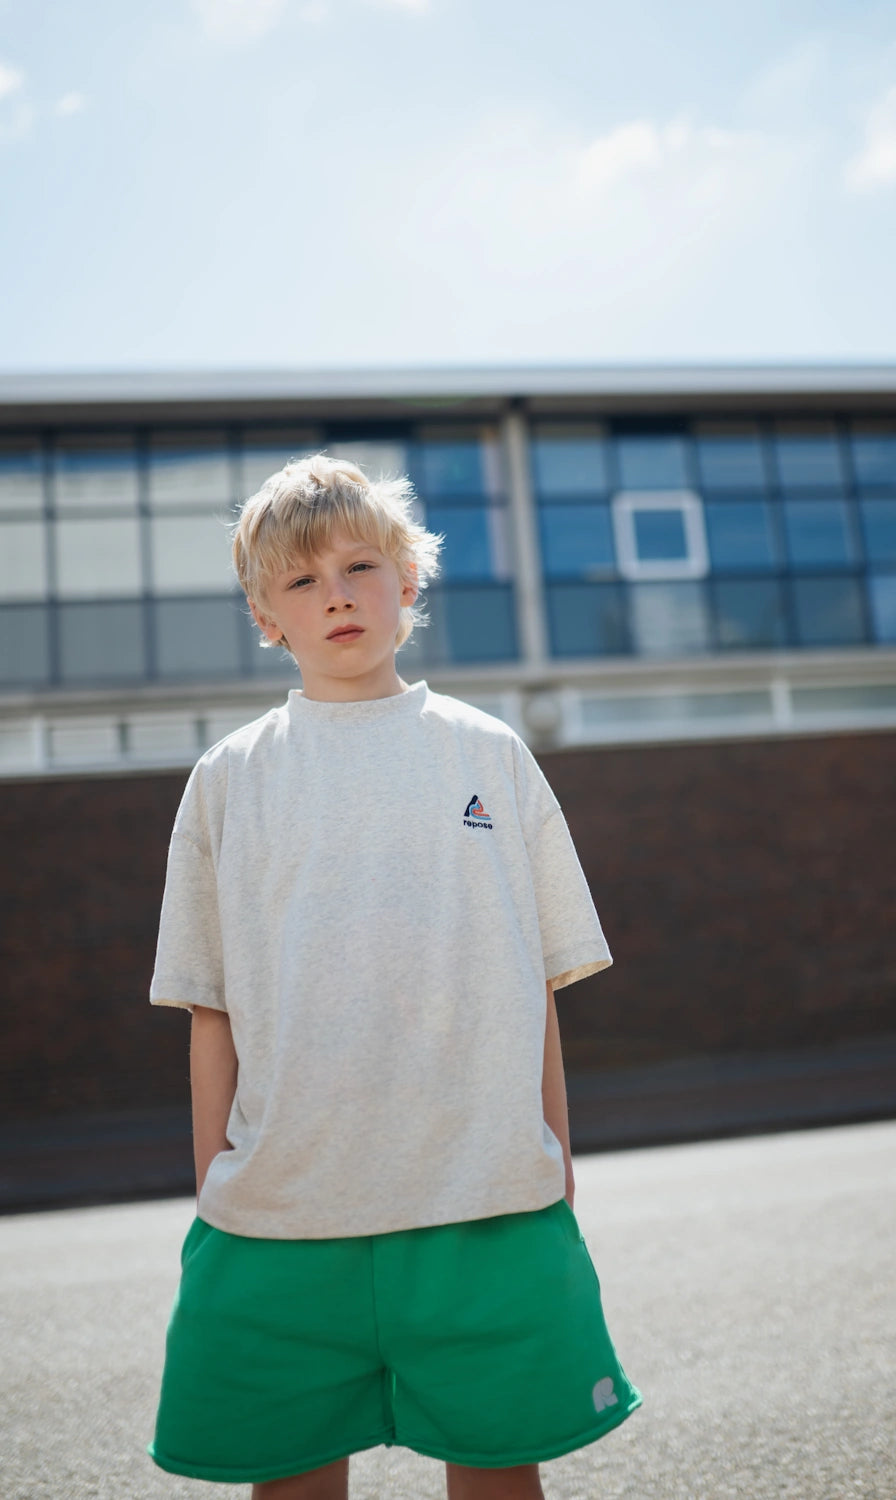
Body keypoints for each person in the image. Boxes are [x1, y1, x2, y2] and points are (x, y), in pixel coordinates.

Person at [147, 455, 641, 1499]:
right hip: (282, 1214)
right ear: (264, 615)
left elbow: (536, 982)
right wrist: (213, 1190)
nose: (334, 593)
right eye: (299, 580)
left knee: (502, 1475)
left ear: (408, 580)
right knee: (289, 1480)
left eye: (359, 565)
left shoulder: (488, 752)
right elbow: (209, 1007)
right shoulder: (229, 779)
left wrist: (552, 1151)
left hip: (484, 1196)